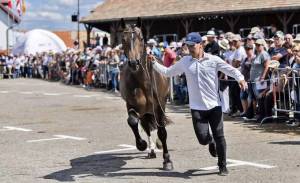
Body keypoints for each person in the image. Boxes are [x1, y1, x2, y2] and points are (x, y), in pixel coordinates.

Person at [148, 32, 247, 176]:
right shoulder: (185, 62)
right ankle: (210, 141)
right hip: (197, 108)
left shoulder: (213, 60)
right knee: (202, 139)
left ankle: (222, 165)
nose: (189, 48)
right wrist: (153, 63)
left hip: (214, 106)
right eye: (188, 45)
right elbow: (168, 72)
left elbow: (230, 70)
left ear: (200, 45)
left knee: (220, 136)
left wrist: (241, 79)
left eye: (192, 45)